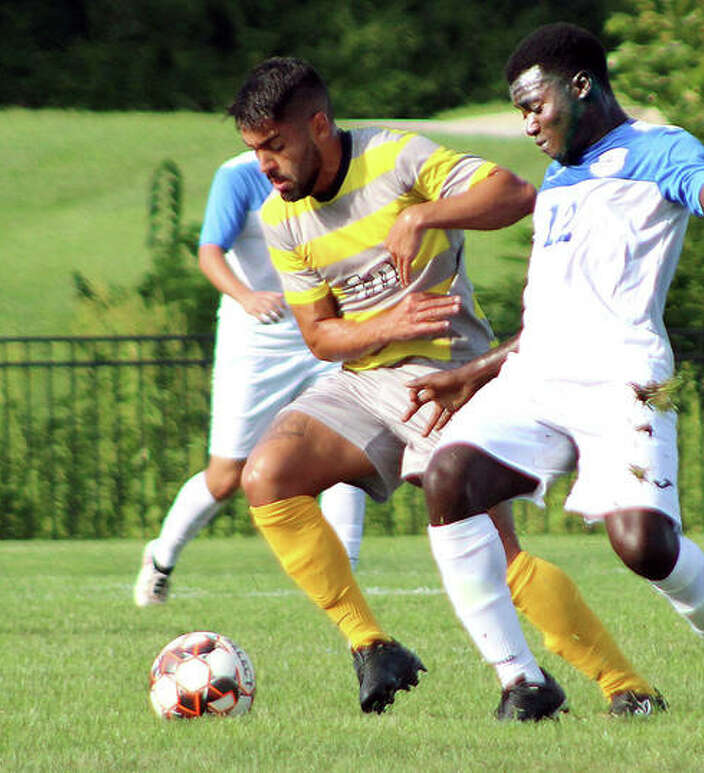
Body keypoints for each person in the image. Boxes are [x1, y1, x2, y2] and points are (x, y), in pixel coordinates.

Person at [229, 56, 663, 719]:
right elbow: (320, 336)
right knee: (267, 472)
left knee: (498, 552)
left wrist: (426, 215)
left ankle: (624, 686)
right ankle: (371, 645)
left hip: (451, 380)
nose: (264, 164)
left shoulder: (396, 157)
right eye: (254, 150)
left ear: (317, 126)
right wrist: (387, 323)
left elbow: (516, 193)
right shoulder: (280, 217)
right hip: (364, 385)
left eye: (274, 146)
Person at [411, 22, 704, 717]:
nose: (529, 124)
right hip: (535, 382)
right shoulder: (559, 178)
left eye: (534, 106)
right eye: (519, 112)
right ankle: (522, 681)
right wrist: (474, 372)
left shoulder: (661, 150)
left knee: (645, 546)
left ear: (581, 85)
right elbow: (554, 316)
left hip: (624, 379)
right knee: (448, 476)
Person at [134, 151, 366, 607]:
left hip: (324, 327)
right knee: (227, 477)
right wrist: (246, 296)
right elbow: (209, 251)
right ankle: (160, 560)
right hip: (257, 337)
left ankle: (345, 581)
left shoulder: (334, 163)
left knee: (346, 451)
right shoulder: (239, 174)